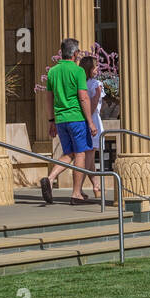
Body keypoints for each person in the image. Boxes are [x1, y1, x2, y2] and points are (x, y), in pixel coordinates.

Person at [40, 37, 98, 205]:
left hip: (60, 119)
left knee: (70, 153)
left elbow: (49, 99)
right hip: (77, 118)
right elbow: (84, 97)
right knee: (80, 153)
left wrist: (51, 120)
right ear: (76, 53)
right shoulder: (78, 71)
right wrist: (90, 122)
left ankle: (50, 178)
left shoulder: (53, 71)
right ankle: (76, 193)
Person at [79, 54, 107, 201]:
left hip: (85, 118)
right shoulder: (96, 84)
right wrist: (89, 120)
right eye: (95, 66)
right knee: (89, 157)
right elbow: (95, 102)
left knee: (89, 155)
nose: (97, 69)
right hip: (92, 119)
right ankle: (79, 188)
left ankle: (95, 186)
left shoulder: (82, 83)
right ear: (89, 69)